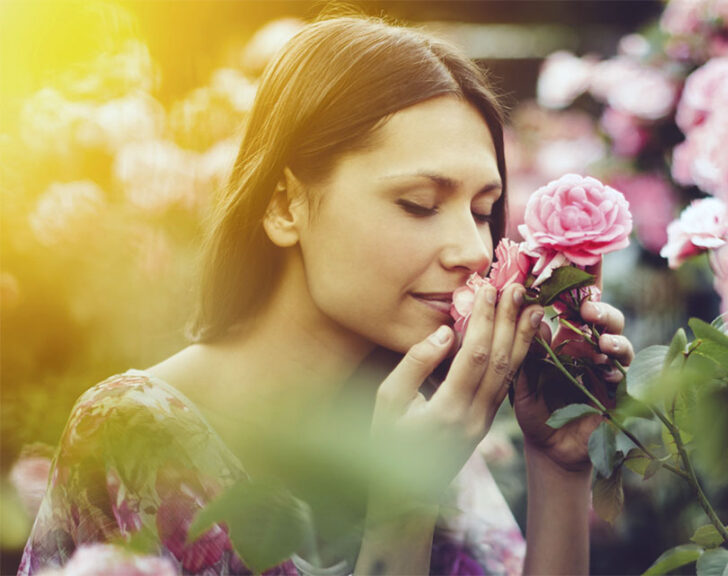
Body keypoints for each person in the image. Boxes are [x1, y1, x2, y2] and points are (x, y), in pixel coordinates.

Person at [18, 14, 634, 576]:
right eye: (419, 204)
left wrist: (559, 465)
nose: (473, 250)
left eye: (482, 210)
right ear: (285, 206)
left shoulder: (417, 423)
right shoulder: (133, 434)